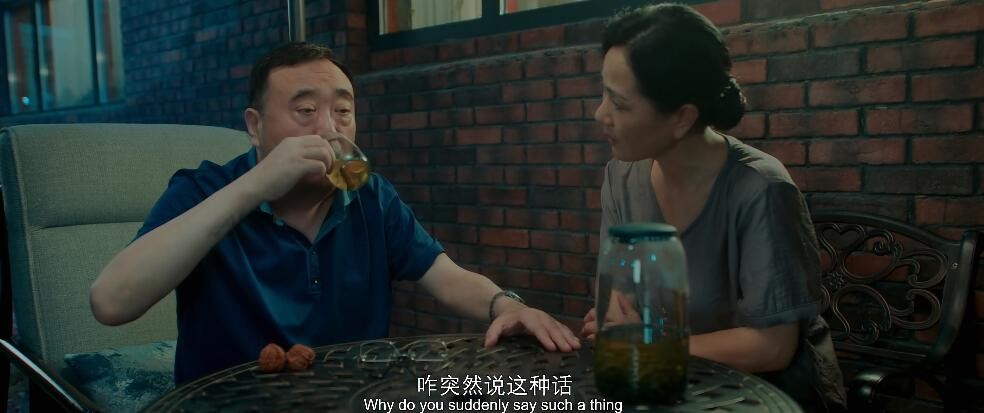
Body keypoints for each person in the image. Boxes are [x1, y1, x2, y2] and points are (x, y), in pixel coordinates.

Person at [89, 42, 580, 384]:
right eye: (305, 111)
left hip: (349, 398)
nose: (329, 129)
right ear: (254, 127)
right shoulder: (203, 190)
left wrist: (508, 307)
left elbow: (447, 277)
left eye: (343, 111)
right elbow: (111, 303)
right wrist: (255, 185)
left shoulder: (370, 196)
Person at [578, 4, 846, 411]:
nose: (601, 114)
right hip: (669, 383)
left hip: (765, 395)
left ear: (682, 118)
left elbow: (772, 347)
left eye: (619, 103)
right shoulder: (621, 176)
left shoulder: (761, 188)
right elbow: (618, 304)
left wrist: (650, 342)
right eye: (604, 93)